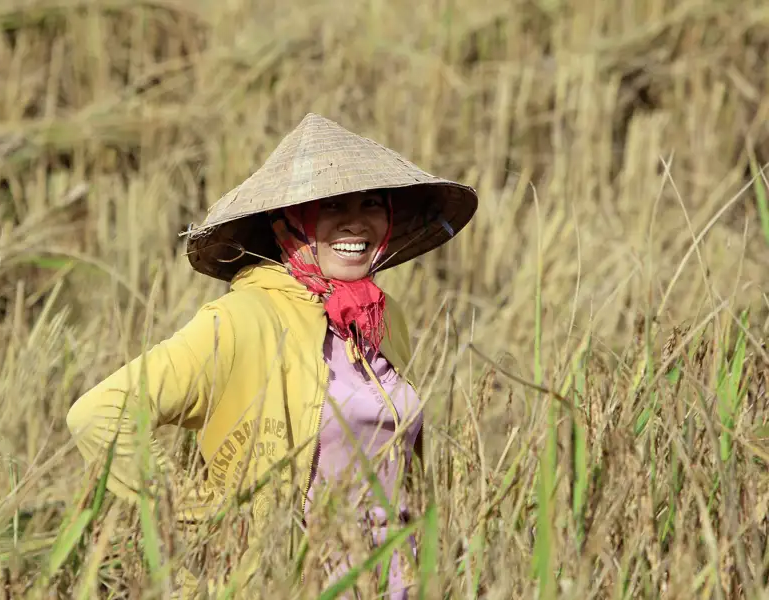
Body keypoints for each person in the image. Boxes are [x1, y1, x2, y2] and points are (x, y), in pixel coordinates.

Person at [66, 113, 478, 598]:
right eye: (330, 206)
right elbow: (99, 414)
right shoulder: (244, 318)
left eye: (372, 203)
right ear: (290, 225)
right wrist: (202, 515)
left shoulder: (382, 320)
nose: (356, 221)